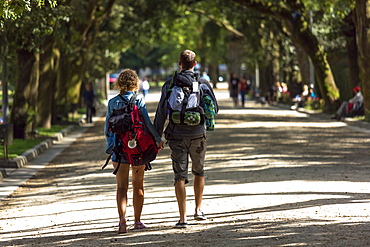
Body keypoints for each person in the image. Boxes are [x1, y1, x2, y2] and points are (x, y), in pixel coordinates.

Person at [154, 49, 218, 228]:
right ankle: (198, 210)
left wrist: (157, 136)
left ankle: (183, 218)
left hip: (175, 135)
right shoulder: (203, 83)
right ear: (195, 64)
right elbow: (215, 108)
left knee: (179, 175)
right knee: (199, 171)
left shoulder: (169, 84)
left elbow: (161, 113)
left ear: (179, 64)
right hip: (197, 134)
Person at [104, 69, 164, 234]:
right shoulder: (139, 99)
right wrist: (158, 140)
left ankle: (122, 220)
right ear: (135, 83)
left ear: (119, 84)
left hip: (118, 149)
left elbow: (108, 129)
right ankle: (137, 221)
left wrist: (110, 147)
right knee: (138, 184)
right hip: (138, 149)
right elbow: (146, 123)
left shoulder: (112, 102)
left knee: (121, 187)